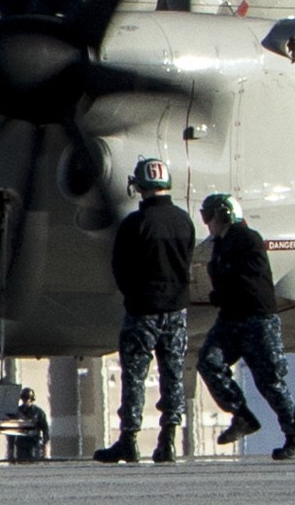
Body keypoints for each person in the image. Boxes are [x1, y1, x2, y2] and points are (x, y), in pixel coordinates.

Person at [194, 193, 295, 460]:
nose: (207, 223)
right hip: (232, 318)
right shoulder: (221, 244)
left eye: (209, 216)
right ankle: (242, 416)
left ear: (223, 215)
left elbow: (245, 281)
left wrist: (223, 292)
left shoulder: (246, 239)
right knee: (209, 362)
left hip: (257, 321)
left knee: (270, 381)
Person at [93, 157, 196, 465]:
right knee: (172, 375)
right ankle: (168, 441)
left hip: (142, 311)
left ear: (139, 185)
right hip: (176, 311)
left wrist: (134, 295)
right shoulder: (184, 221)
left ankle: (129, 440)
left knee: (135, 377)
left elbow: (120, 269)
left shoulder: (134, 225)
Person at [6, 388, 51, 460]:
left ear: (31, 398)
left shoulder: (38, 412)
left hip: (34, 444)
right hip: (21, 444)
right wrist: (10, 451)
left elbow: (45, 431)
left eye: (27, 398)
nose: (25, 400)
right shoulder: (17, 412)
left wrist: (46, 450)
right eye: (24, 398)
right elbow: (11, 432)